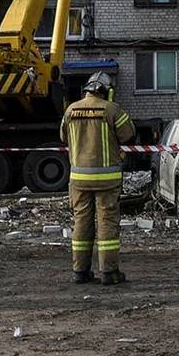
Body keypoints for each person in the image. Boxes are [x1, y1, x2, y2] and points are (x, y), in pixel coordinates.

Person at [61, 73, 134, 285]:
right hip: (107, 179)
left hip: (78, 178)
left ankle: (80, 272)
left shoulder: (70, 110)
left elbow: (63, 137)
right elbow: (128, 134)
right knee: (107, 223)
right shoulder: (112, 109)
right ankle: (109, 273)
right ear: (106, 90)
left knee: (81, 222)